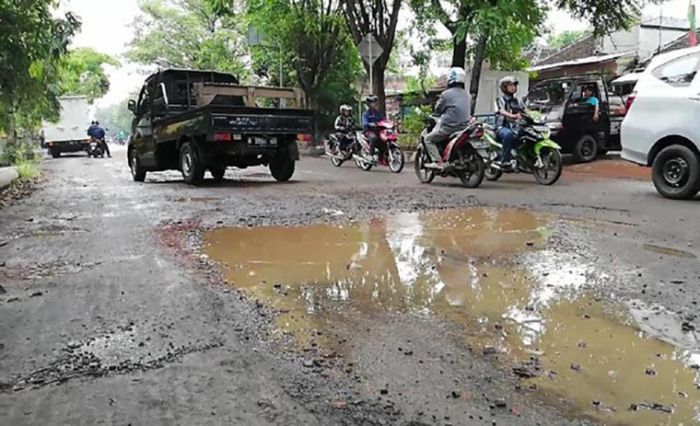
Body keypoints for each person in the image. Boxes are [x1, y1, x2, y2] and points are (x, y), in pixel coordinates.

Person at [424, 67, 472, 169]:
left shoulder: (446, 94)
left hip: (450, 127)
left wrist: (436, 111)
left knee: (428, 139)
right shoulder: (466, 94)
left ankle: (437, 162)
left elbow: (438, 110)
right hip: (465, 127)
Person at [495, 76, 525, 170]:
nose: (513, 87)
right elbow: (502, 111)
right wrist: (512, 116)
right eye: (510, 85)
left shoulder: (517, 101)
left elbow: (525, 110)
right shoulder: (500, 100)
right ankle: (505, 161)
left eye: (514, 85)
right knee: (508, 134)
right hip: (501, 127)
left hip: (515, 126)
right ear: (504, 87)